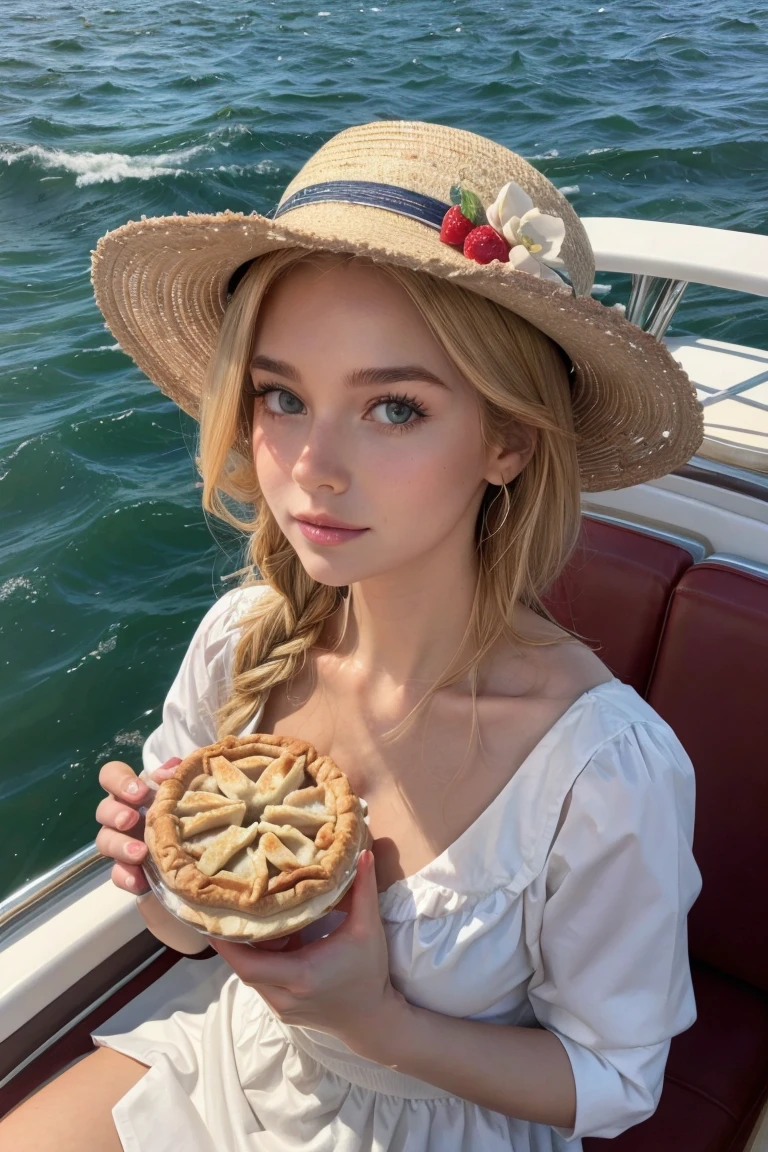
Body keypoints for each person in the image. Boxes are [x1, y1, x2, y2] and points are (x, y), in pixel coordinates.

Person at [3, 120, 704, 1152]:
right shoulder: (242, 642)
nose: (312, 466)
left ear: (507, 439)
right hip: (234, 1063)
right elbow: (190, 937)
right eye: (282, 396)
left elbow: (614, 1079)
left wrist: (372, 1020)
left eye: (395, 410)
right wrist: (158, 876)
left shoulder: (605, 771)